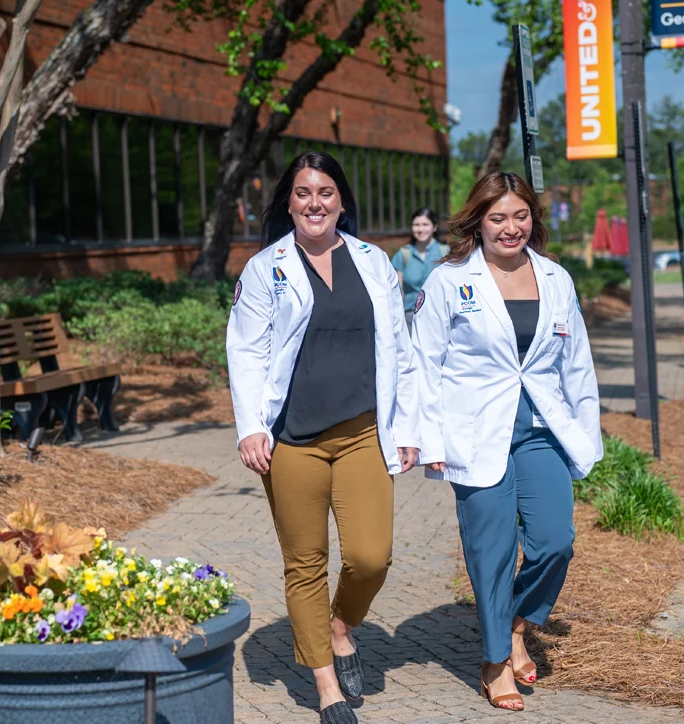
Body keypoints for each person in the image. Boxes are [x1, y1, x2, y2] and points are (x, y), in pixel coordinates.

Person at [226, 151, 420, 724]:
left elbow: (400, 351)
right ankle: (326, 684)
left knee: (370, 556)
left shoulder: (373, 262)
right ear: (288, 202)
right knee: (304, 562)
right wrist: (251, 428)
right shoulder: (265, 268)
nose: (315, 203)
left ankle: (340, 627)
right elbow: (246, 351)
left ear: (342, 201)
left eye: (326, 193)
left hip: (363, 431)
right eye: (304, 193)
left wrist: (406, 428)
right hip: (291, 440)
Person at [410, 172, 601, 712]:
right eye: (498, 218)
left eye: (520, 216)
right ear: (479, 221)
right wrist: (427, 439)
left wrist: (587, 430)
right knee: (490, 553)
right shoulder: (449, 281)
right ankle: (495, 662)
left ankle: (518, 624)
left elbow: (576, 360)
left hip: (541, 429)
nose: (510, 227)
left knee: (554, 541)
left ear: (532, 220)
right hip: (475, 430)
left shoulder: (556, 278)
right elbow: (423, 363)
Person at [391, 207, 449, 329]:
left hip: (439, 317)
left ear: (434, 227)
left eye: (425, 224)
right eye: (416, 225)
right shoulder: (403, 254)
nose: (420, 229)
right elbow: (397, 292)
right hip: (410, 318)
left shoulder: (445, 252)